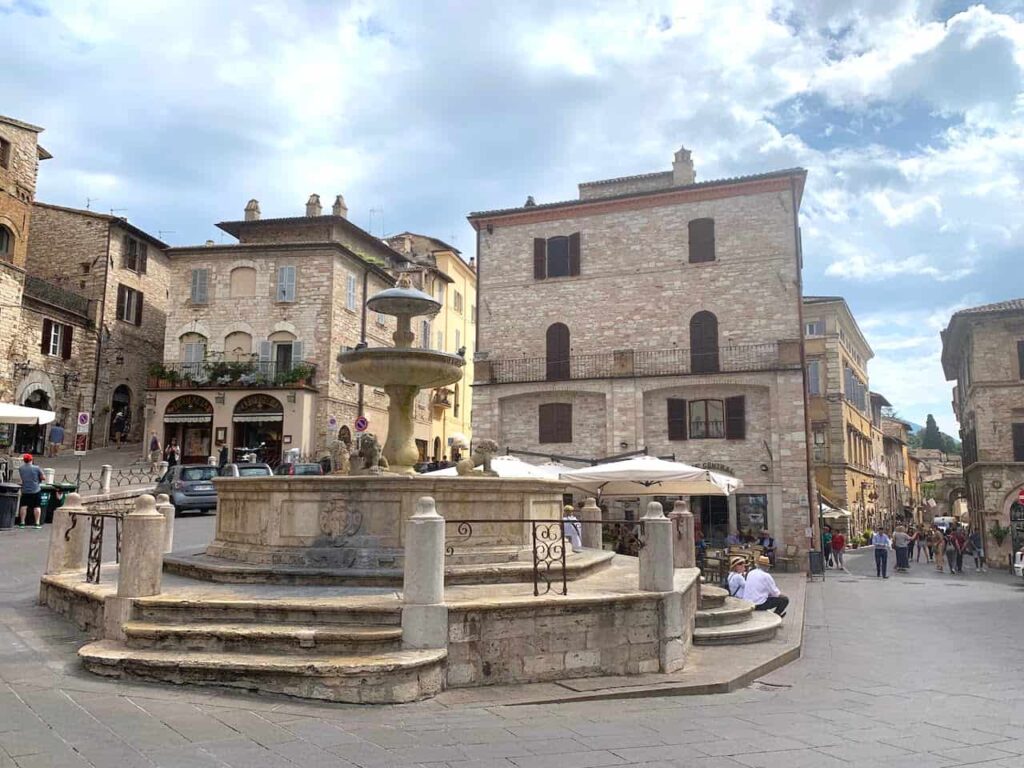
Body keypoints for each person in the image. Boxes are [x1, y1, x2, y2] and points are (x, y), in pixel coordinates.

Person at [17, 454, 45, 529]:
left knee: (23, 506)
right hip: (36, 489)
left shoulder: (21, 468)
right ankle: (37, 523)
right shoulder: (36, 468)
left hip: (25, 490)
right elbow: (43, 477)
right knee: (37, 507)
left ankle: (22, 523)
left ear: (24, 460)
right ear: (31, 460)